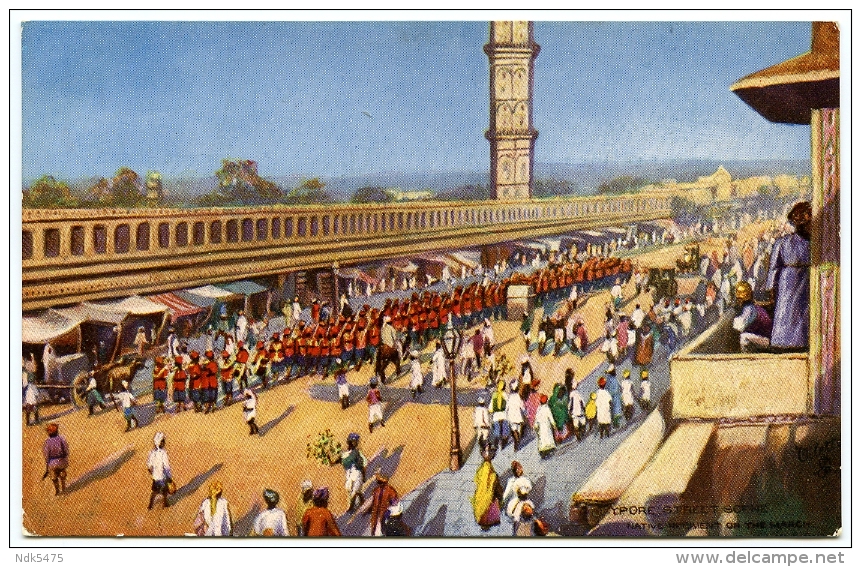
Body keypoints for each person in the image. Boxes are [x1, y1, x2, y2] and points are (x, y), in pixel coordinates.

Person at [733, 281, 773, 352]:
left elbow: (739, 327)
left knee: (744, 337)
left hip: (766, 340)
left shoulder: (749, 309)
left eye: (739, 299)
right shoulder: (751, 307)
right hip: (761, 338)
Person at [472, 449, 503, 530]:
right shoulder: (488, 468)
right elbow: (490, 480)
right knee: (490, 507)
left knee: (484, 507)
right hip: (489, 493)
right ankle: (490, 520)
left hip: (483, 493)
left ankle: (485, 520)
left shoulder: (482, 468)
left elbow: (478, 479)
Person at [341, 432, 367, 512]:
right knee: (353, 490)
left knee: (354, 492)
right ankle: (362, 503)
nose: (357, 443)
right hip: (351, 475)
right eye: (356, 441)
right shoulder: (352, 453)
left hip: (355, 475)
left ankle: (351, 507)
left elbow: (363, 466)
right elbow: (363, 466)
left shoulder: (345, 454)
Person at [146, 432, 172, 510]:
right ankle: (165, 503)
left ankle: (150, 505)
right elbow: (166, 466)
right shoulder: (163, 453)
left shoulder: (152, 453)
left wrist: (153, 473)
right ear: (161, 443)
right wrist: (169, 477)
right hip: (163, 476)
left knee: (155, 491)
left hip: (155, 476)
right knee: (165, 491)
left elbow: (149, 466)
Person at [42, 423, 69, 496]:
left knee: (54, 476)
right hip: (62, 461)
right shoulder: (62, 439)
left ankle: (57, 490)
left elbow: (46, 454)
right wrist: (65, 458)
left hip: (52, 463)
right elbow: (66, 450)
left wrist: (47, 464)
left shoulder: (47, 442)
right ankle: (64, 487)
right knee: (62, 472)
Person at [369, 471, 398, 536]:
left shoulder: (390, 490)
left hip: (385, 513)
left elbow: (394, 501)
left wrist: (390, 510)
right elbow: (374, 502)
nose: (379, 483)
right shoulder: (376, 490)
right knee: (374, 529)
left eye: (380, 482)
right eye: (378, 482)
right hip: (376, 514)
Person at [533, 394, 557, 458]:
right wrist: (553, 424)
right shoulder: (547, 408)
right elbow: (550, 417)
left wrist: (535, 425)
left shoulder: (539, 408)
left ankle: (543, 450)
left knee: (542, 438)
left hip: (541, 426)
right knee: (548, 436)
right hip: (546, 425)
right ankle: (549, 448)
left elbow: (536, 418)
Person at [506, 379, 526, 450]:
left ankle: (516, 441)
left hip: (511, 416)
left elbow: (506, 407)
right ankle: (517, 441)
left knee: (514, 429)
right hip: (517, 416)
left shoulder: (509, 397)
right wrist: (525, 413)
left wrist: (506, 415)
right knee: (518, 429)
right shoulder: (518, 397)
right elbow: (522, 406)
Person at [489, 380, 510, 450]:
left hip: (496, 416)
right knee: (505, 431)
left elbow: (490, 408)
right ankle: (503, 444)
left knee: (496, 432)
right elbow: (508, 404)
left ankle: (495, 445)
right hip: (504, 415)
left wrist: (491, 412)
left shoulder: (494, 395)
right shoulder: (505, 394)